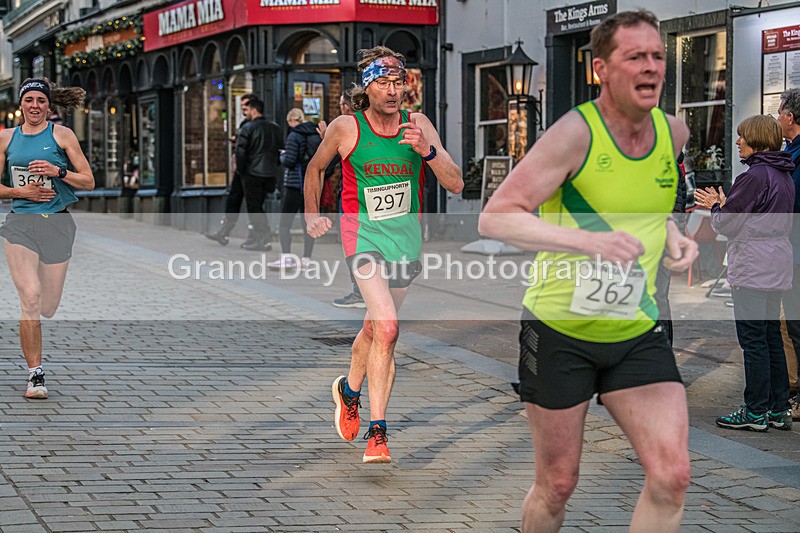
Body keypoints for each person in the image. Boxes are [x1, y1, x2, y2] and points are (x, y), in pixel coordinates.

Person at [479, 11, 697, 532]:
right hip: (560, 330)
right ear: (602, 69)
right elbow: (495, 216)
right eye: (635, 57)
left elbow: (646, 200)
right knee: (557, 483)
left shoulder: (674, 132)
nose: (651, 68)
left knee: (673, 475)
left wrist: (672, 236)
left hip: (635, 327)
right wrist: (587, 241)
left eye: (658, 57)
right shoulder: (574, 134)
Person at [304, 46, 463, 463]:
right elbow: (315, 168)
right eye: (383, 83)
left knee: (375, 330)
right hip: (363, 236)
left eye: (398, 82)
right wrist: (311, 212)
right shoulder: (346, 128)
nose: (393, 91)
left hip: (406, 241)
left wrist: (427, 150)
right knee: (389, 327)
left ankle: (348, 391)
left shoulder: (419, 124)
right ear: (367, 88)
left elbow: (456, 184)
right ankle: (379, 432)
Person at [695, 115, 795, 432]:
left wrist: (715, 205)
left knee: (753, 339)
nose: (738, 142)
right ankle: (779, 409)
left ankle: (754, 411)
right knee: (770, 338)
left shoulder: (754, 176)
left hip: (754, 264)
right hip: (776, 261)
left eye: (742, 136)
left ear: (755, 139)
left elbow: (727, 223)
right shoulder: (783, 173)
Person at [0, 78, 95, 399]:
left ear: (49, 105)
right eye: (29, 100)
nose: (35, 106)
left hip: (57, 224)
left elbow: (89, 182)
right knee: (30, 298)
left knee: (49, 306)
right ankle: (35, 375)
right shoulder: (5, 138)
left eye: (41, 100)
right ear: (21, 104)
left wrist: (59, 172)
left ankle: (36, 360)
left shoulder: (62, 136)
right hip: (20, 225)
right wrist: (18, 192)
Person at [204, 93, 270, 249]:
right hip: (243, 169)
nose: (243, 110)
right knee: (234, 198)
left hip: (252, 171)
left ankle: (257, 236)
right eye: (242, 107)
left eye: (245, 106)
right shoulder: (245, 124)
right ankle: (224, 231)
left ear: (253, 107)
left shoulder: (259, 125)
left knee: (254, 204)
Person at [268, 108, 322, 270]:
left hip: (294, 185)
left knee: (284, 223)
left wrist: (283, 155)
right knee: (309, 224)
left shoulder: (294, 135)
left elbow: (290, 161)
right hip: (311, 185)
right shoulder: (316, 135)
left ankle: (287, 258)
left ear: (292, 121)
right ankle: (306, 260)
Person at [330, 92, 367, 309]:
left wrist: (328, 138)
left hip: (354, 200)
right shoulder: (375, 128)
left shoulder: (346, 129)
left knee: (355, 246)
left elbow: (324, 164)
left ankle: (360, 292)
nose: (340, 109)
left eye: (341, 104)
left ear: (347, 106)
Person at [777, 88, 800, 421]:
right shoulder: (789, 152)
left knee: (794, 324)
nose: (777, 118)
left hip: (795, 251)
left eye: (779, 112)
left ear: (791, 116)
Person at [235, 97, 283, 251]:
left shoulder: (247, 128)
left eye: (247, 110)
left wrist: (241, 170)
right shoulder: (275, 128)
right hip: (270, 173)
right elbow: (280, 150)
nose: (246, 113)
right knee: (259, 206)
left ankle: (263, 238)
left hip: (252, 173)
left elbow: (240, 152)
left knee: (254, 207)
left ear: (254, 110)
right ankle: (257, 238)